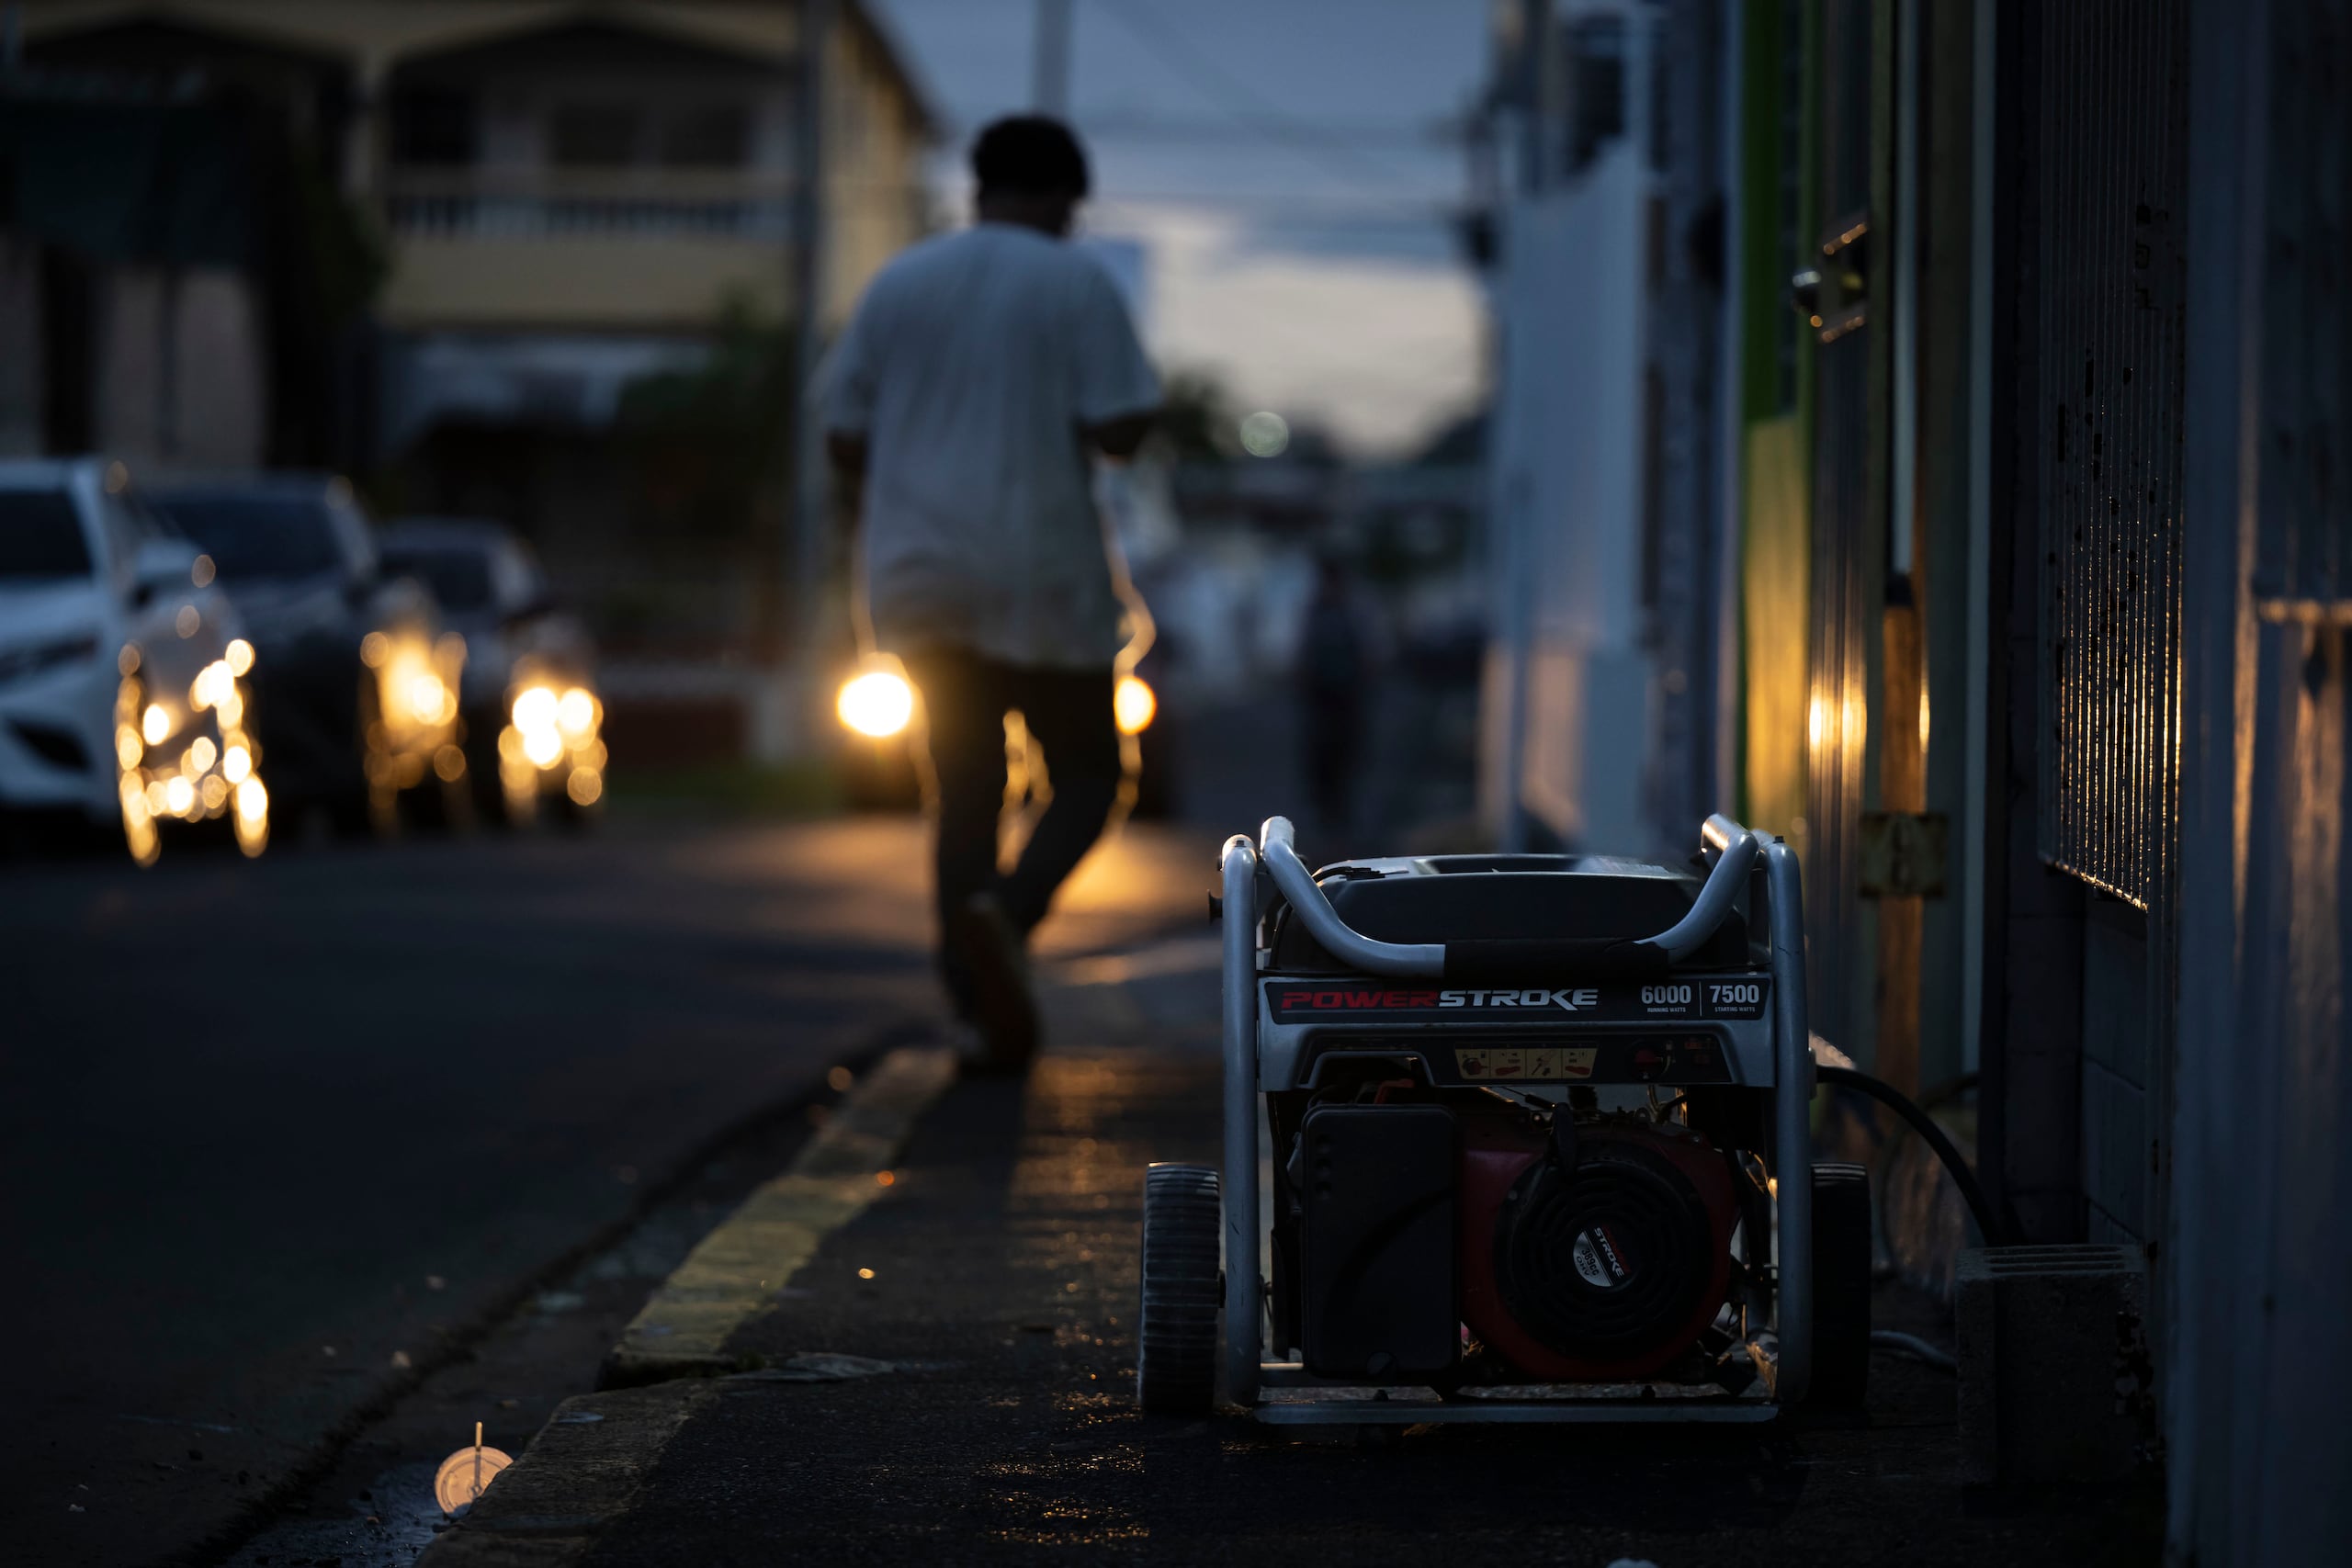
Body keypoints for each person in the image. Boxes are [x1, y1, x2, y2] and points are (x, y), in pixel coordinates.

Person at [820, 116, 1159, 1073]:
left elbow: (842, 434)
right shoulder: (1073, 281)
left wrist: (910, 479)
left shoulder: (899, 284)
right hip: (1039, 569)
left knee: (964, 786)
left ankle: (974, 1005)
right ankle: (1003, 922)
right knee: (1091, 773)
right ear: (1063, 197)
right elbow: (1121, 427)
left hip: (918, 574)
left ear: (978, 186)